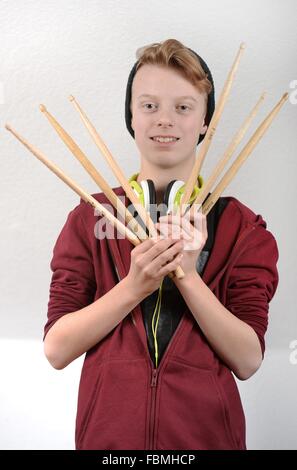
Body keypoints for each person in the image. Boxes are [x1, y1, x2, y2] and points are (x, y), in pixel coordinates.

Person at [43, 39, 279, 450]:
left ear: (206, 121)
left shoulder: (245, 229)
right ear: (131, 117)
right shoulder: (90, 217)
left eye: (183, 107)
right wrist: (135, 285)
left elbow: (248, 359)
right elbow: (57, 349)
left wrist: (187, 276)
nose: (164, 120)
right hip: (109, 444)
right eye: (149, 106)